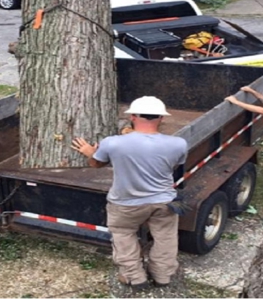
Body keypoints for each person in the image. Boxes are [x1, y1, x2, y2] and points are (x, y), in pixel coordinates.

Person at [71, 96, 187, 291]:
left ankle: (135, 278)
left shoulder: (112, 143)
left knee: (124, 235)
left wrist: (90, 151)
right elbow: (172, 163)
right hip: (164, 201)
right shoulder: (178, 144)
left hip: (125, 203)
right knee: (165, 237)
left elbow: (96, 164)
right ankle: (162, 276)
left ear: (133, 116)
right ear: (162, 118)